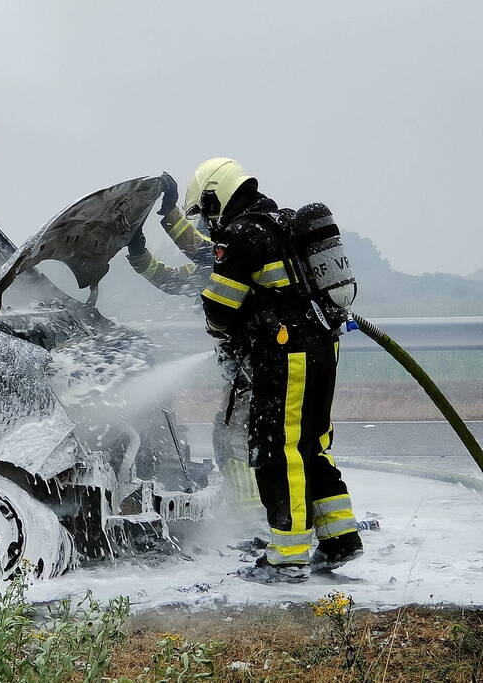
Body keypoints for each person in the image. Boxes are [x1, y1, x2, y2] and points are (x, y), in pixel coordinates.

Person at [184, 157, 363, 583]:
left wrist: (218, 330)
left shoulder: (241, 233)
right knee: (310, 445)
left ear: (216, 194)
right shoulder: (279, 222)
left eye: (205, 208)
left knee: (278, 449)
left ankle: (288, 553)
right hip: (320, 347)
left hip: (286, 356)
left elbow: (220, 308)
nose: (207, 220)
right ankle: (340, 538)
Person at [126, 174, 260, 510]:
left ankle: (253, 516)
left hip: (261, 363)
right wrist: (140, 257)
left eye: (205, 216)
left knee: (236, 438)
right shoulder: (239, 250)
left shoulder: (240, 248)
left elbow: (197, 248)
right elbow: (175, 279)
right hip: (256, 362)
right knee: (240, 435)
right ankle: (266, 514)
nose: (205, 225)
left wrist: (169, 211)